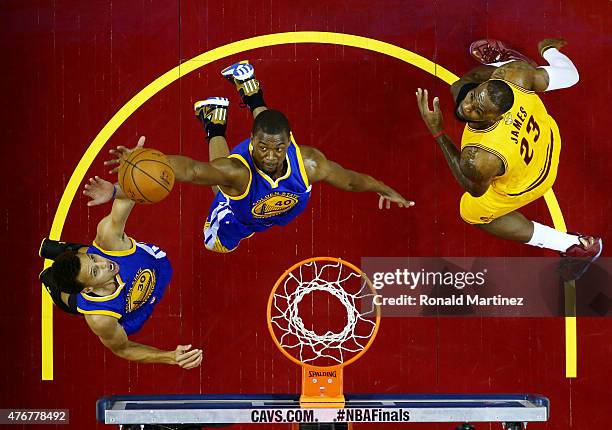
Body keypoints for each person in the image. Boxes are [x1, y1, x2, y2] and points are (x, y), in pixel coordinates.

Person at [106, 61, 414, 253]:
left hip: (277, 198)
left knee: (270, 128)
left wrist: (383, 188)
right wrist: (145, 164)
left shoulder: (308, 162)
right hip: (242, 209)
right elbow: (193, 171)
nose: (270, 156)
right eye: (262, 147)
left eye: (278, 149)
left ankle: (249, 89)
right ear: (251, 142)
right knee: (219, 201)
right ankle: (215, 122)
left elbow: (350, 181)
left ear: (289, 144)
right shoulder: (238, 172)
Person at [415, 38, 602, 279]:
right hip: (547, 142)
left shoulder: (479, 158)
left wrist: (438, 132)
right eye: (473, 97)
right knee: (461, 85)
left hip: (530, 182)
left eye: (478, 111)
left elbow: (473, 187)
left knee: (470, 211)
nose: (467, 107)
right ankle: (503, 61)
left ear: (495, 117)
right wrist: (549, 50)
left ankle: (572, 246)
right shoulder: (517, 75)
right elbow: (571, 75)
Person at [39, 175, 202, 369]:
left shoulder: (108, 240)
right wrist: (171, 357)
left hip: (152, 267)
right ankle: (47, 277)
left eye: (94, 259)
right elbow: (123, 349)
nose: (104, 264)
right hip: (89, 298)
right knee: (53, 280)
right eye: (95, 272)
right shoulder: (100, 318)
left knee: (88, 252)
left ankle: (58, 249)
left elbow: (126, 198)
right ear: (88, 288)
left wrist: (130, 172)